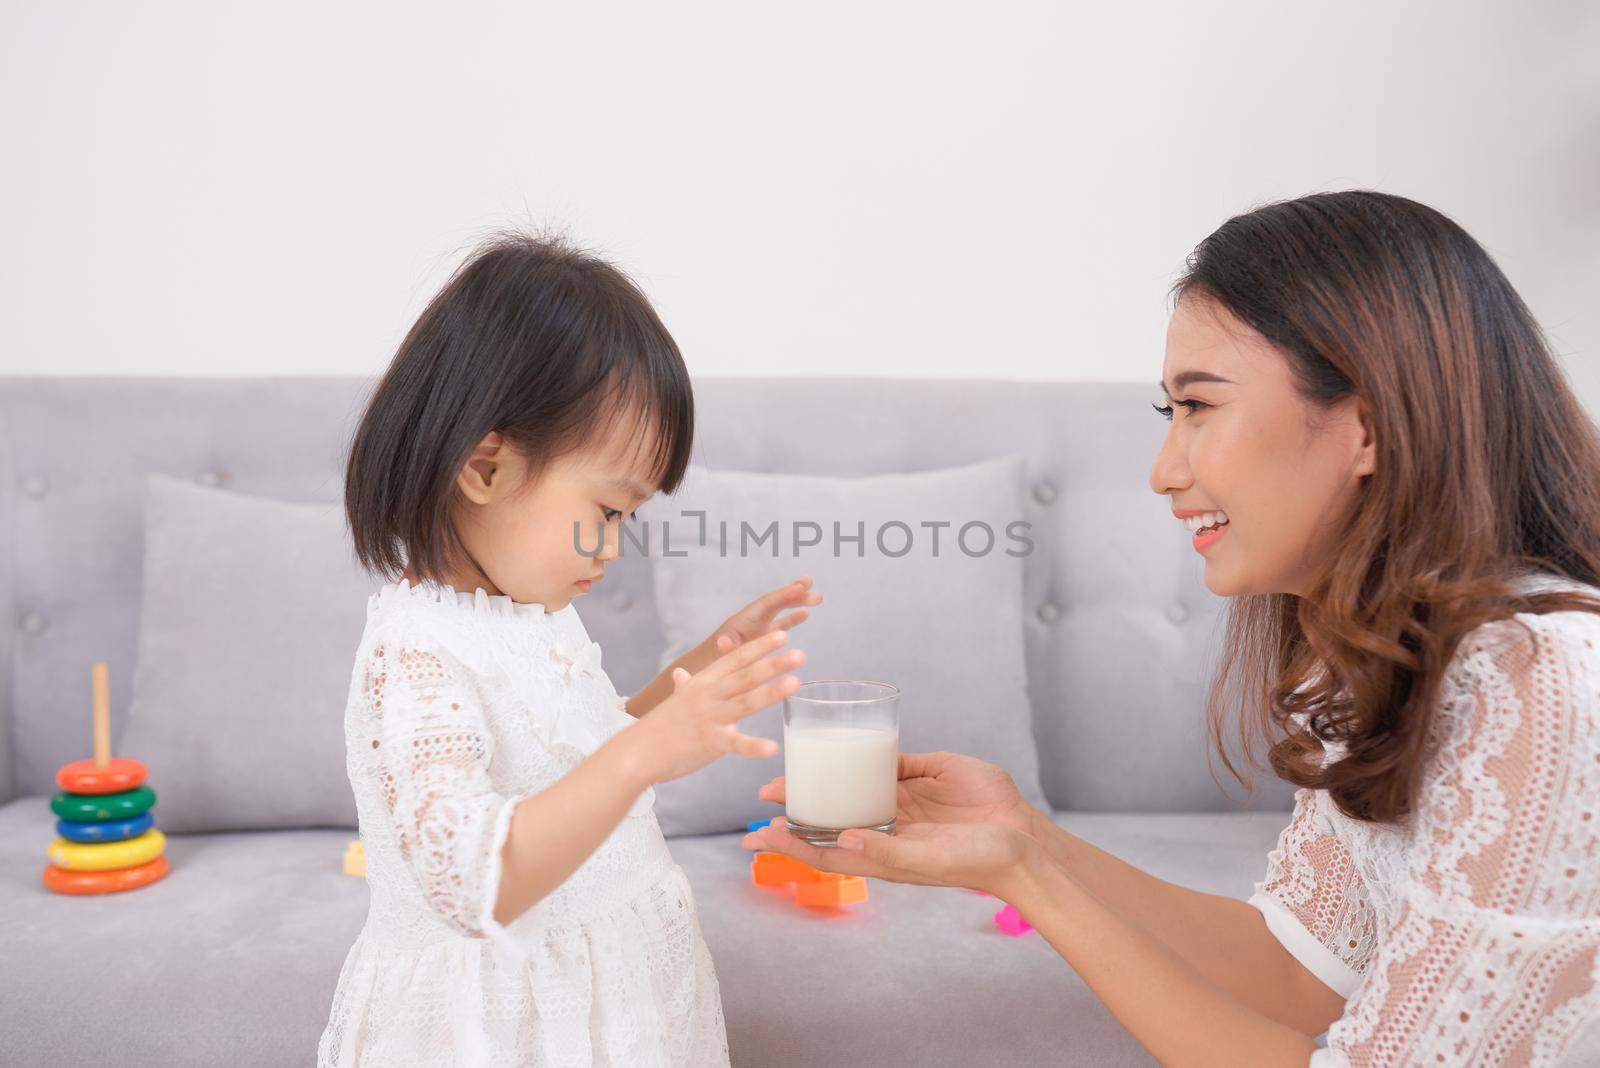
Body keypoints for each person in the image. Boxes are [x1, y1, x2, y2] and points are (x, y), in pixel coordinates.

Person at [746, 191, 1600, 1066]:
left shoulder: (1540, 678)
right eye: (1171, 413)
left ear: (1369, 425)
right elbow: (1296, 975)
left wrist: (1026, 876)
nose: (1164, 471)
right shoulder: (1389, 655)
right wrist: (1024, 840)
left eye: (1199, 406)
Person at [319, 233, 821, 1066]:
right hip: (504, 1026)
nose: (613, 547)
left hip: (611, 993)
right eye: (609, 508)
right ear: (486, 466)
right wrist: (645, 757)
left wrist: (700, 671)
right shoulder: (415, 652)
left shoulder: (525, 613)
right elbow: (470, 879)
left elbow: (575, 755)